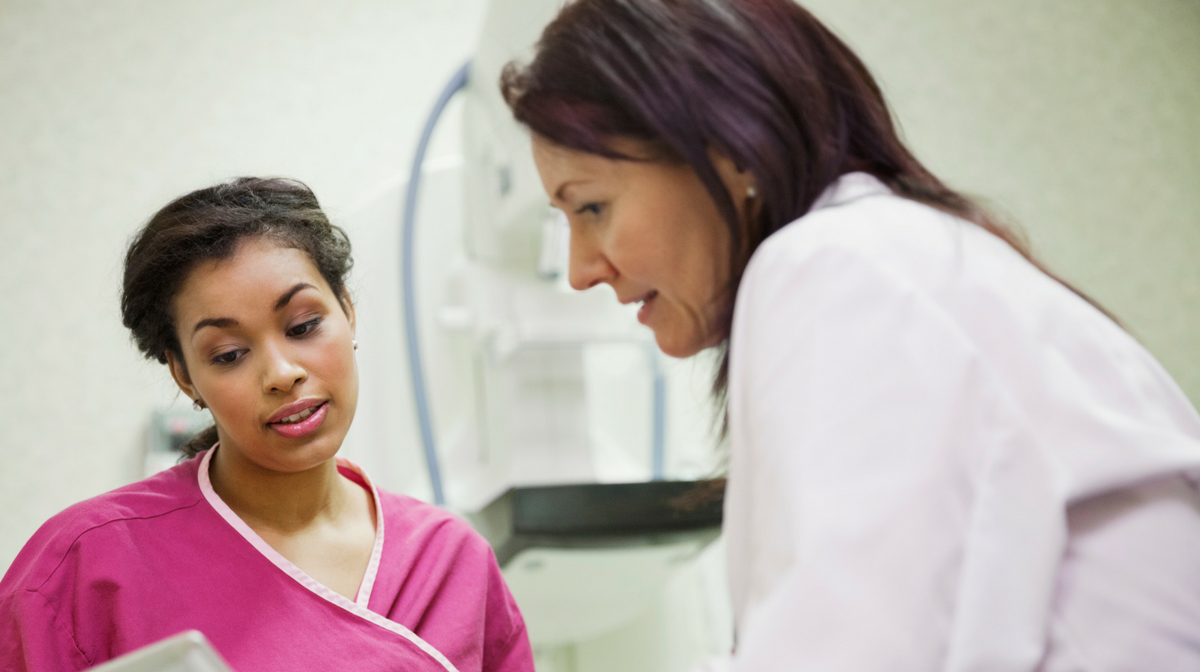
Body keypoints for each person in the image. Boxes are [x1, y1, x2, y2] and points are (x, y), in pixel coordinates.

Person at [501, 1, 1200, 670]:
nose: (581, 269)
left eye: (592, 206)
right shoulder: (906, 260)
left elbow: (849, 656)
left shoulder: (842, 264)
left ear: (729, 151)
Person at [0, 178, 533, 672]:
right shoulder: (89, 564)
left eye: (305, 324)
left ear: (348, 311)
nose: (282, 374)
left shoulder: (451, 561)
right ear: (184, 376)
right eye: (229, 354)